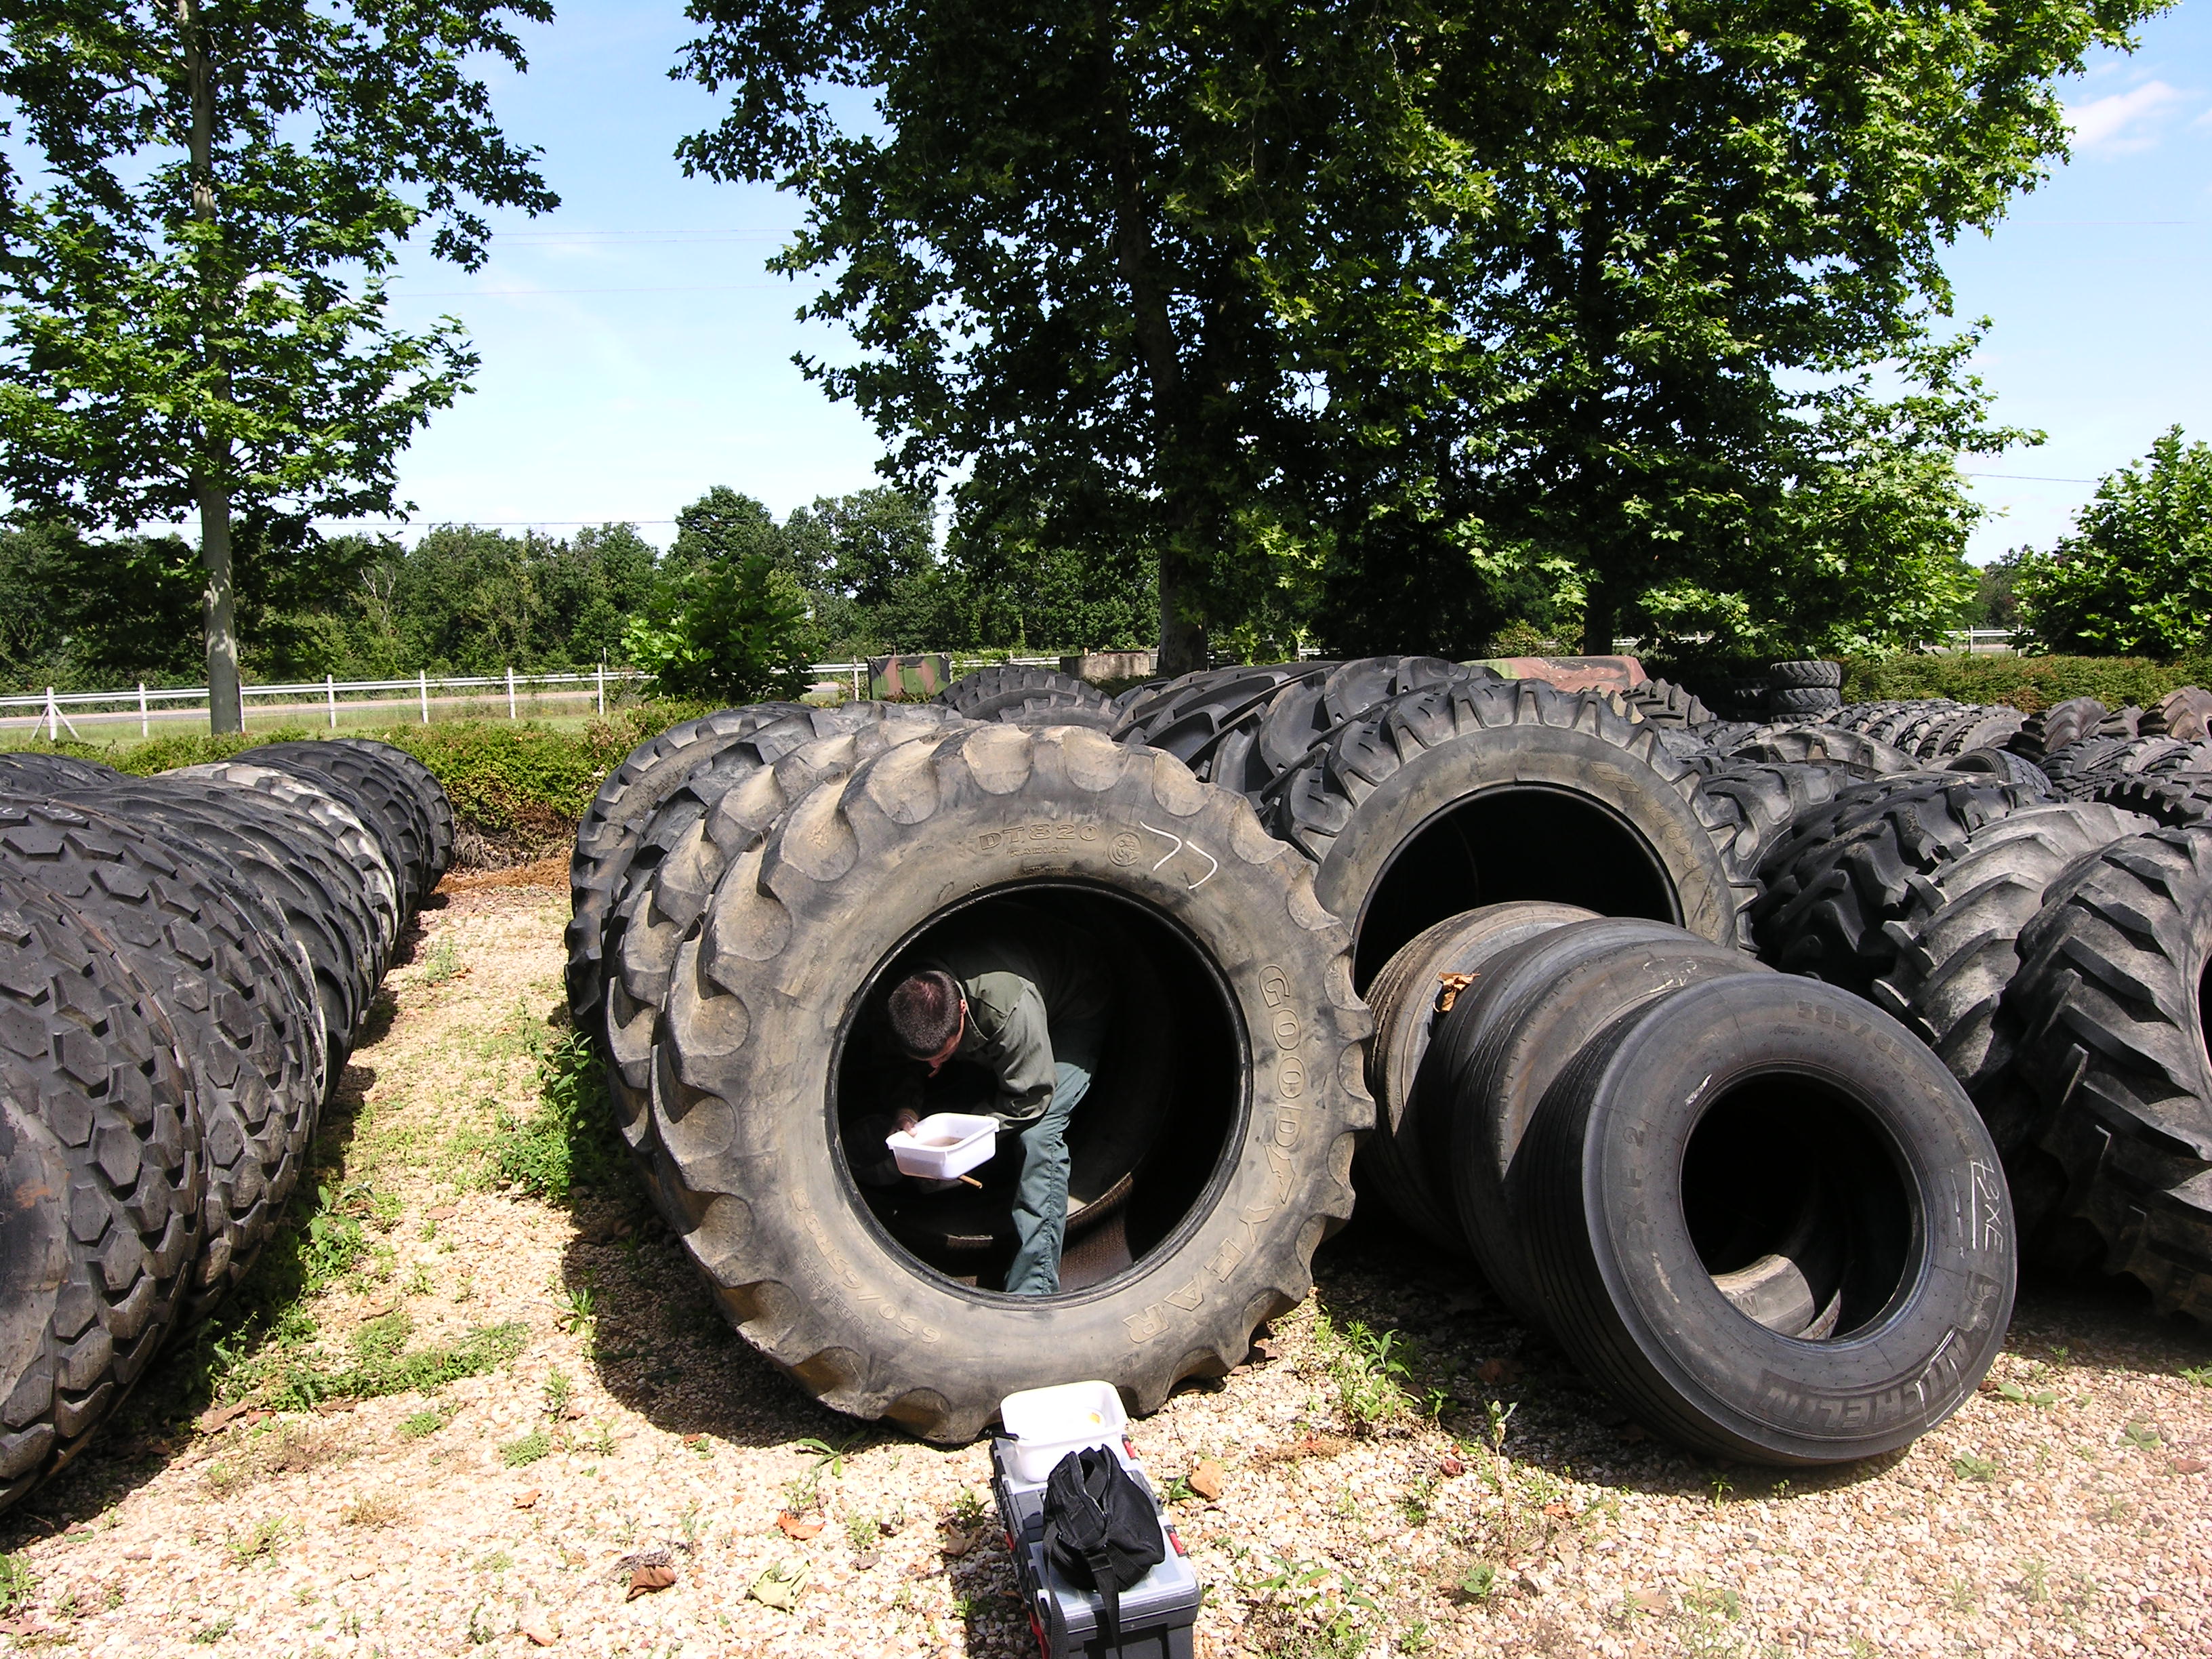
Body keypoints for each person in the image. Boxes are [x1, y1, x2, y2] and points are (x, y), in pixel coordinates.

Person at [881, 917, 1111, 1296]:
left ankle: (1033, 1290)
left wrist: (963, 1144)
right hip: (1020, 974)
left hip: (1075, 999)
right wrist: (905, 1110)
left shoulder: (1008, 1007)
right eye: (926, 1060)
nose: (934, 1068)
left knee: (1040, 1133)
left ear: (961, 1009)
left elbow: (1032, 1098)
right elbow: (903, 1061)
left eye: (942, 1055)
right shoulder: (904, 997)